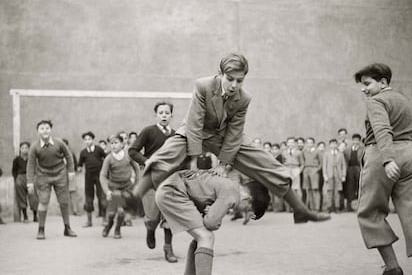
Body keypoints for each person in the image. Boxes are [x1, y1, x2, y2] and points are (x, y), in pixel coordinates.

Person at [135, 53, 329, 224]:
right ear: (220, 74)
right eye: (230, 79)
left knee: (265, 161)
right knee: (169, 150)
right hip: (195, 130)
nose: (234, 85)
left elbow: (235, 134)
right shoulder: (203, 86)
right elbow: (195, 124)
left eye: (240, 80)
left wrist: (223, 164)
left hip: (223, 136)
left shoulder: (244, 99)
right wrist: (193, 159)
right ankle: (133, 196)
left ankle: (300, 210)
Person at [155, 153, 270, 275]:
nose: (240, 211)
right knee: (207, 237)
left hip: (170, 187)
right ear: (248, 199)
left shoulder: (228, 182)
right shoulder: (233, 193)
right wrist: (214, 217)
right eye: (246, 210)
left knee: (200, 238)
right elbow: (211, 223)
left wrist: (211, 211)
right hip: (173, 192)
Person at [354, 63, 412, 275]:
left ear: (383, 82)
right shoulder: (404, 100)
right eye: (362, 85)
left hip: (382, 154)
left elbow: (381, 129)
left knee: (370, 212)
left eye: (367, 83)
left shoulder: (376, 100)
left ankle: (392, 268)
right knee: (411, 211)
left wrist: (388, 159)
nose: (363, 89)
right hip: (409, 152)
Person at [128, 101, 178, 263]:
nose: (164, 115)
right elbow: (132, 151)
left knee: (169, 214)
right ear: (155, 115)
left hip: (168, 180)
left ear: (171, 115)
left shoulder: (175, 135)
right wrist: (146, 161)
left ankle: (168, 249)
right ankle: (150, 229)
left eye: (167, 112)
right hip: (149, 178)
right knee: (152, 216)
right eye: (161, 112)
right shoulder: (148, 131)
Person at [26, 120, 77, 239]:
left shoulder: (59, 142)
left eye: (47, 128)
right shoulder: (34, 147)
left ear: (51, 130)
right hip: (43, 176)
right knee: (43, 201)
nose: (45, 130)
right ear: (38, 131)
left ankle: (67, 228)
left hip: (60, 174)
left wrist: (71, 171)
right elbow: (30, 165)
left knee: (64, 202)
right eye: (42, 128)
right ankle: (41, 229)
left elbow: (69, 156)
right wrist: (29, 183)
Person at [100, 134, 139, 239]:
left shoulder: (128, 156)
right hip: (114, 188)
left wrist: (136, 183)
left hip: (127, 188)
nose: (113, 145)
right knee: (112, 212)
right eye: (111, 143)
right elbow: (102, 176)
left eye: (116, 143)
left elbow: (137, 168)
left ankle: (117, 229)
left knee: (121, 211)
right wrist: (107, 190)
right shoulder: (109, 159)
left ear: (122, 144)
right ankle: (109, 225)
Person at [78, 131, 107, 227]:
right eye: (85, 140)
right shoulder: (83, 152)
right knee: (88, 198)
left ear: (93, 140)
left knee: (102, 197)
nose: (87, 141)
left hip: (99, 176)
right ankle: (89, 221)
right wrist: (78, 168)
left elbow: (106, 159)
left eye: (89, 139)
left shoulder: (99, 149)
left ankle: (104, 220)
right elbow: (80, 165)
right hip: (89, 177)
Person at [12, 142, 39, 222]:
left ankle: (35, 216)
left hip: (31, 177)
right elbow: (14, 171)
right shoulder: (16, 159)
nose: (24, 149)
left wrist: (35, 178)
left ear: (29, 149)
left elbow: (36, 168)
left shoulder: (32, 158)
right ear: (20, 149)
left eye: (26, 148)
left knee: (33, 196)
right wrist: (17, 179)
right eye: (23, 148)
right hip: (20, 177)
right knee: (21, 197)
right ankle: (25, 216)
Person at [322, 139, 346, 213]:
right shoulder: (326, 154)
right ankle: (329, 207)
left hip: (338, 175)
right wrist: (325, 175)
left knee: (337, 191)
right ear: (329, 145)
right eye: (332, 144)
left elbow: (343, 166)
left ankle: (337, 207)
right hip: (329, 174)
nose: (333, 145)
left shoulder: (340, 154)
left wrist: (343, 175)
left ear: (336, 145)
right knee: (329, 191)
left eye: (335, 144)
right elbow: (324, 165)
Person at [281, 137, 304, 211]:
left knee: (296, 189)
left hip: (295, 169)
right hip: (287, 170)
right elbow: (282, 162)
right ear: (287, 143)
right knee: (287, 189)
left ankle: (297, 207)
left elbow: (302, 163)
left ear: (295, 143)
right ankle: (288, 207)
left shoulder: (299, 152)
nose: (290, 144)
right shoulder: (283, 152)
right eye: (289, 142)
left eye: (292, 142)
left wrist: (299, 171)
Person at [343, 133, 363, 212]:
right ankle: (348, 206)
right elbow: (344, 160)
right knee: (349, 187)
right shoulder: (347, 149)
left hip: (358, 169)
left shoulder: (363, 149)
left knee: (359, 187)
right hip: (350, 169)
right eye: (354, 140)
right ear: (352, 140)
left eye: (357, 140)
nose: (356, 142)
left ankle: (361, 207)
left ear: (359, 141)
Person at [302, 137, 322, 211]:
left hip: (314, 170)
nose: (309, 144)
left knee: (315, 190)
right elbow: (302, 162)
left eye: (311, 143)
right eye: (308, 143)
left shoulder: (317, 152)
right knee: (308, 190)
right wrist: (304, 170)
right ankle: (311, 207)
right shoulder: (304, 152)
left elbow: (321, 163)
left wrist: (316, 170)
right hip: (306, 170)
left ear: (313, 144)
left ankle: (317, 208)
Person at [62, 139, 79, 216]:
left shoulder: (71, 153)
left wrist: (72, 171)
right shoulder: (57, 154)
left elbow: (75, 164)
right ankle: (64, 211)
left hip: (70, 174)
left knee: (73, 192)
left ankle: (75, 210)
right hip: (61, 175)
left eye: (65, 145)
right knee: (62, 193)